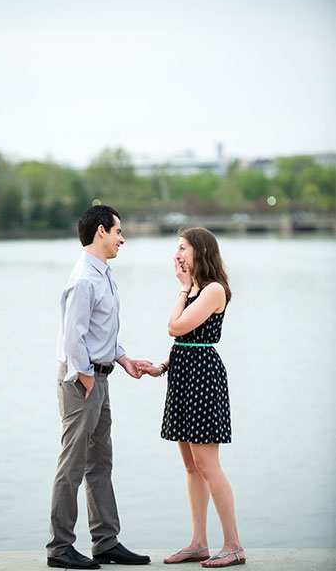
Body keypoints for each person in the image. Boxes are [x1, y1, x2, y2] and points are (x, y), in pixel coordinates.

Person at [47, 205, 152, 569]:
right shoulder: (84, 279)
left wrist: (122, 359)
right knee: (73, 464)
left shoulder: (103, 274)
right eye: (118, 231)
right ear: (101, 232)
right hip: (82, 382)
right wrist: (88, 376)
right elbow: (73, 335)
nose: (122, 238)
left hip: (99, 377)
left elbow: (99, 331)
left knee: (100, 463)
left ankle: (105, 542)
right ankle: (59, 548)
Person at [139, 228, 246, 568]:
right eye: (177, 247)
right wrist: (162, 366)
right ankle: (199, 542)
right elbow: (182, 339)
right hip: (184, 373)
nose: (178, 253)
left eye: (183, 247)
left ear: (200, 250)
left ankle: (233, 545)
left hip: (203, 377)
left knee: (207, 464)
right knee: (190, 466)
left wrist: (183, 289)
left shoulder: (213, 289)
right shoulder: (196, 289)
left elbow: (176, 327)